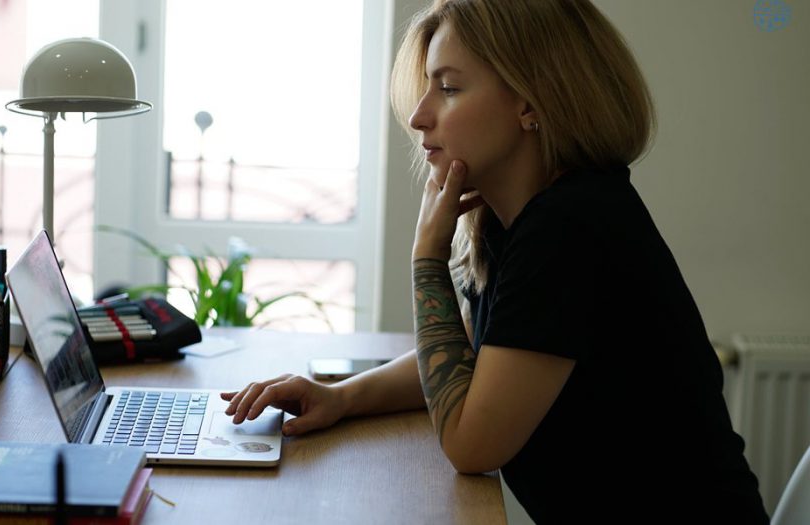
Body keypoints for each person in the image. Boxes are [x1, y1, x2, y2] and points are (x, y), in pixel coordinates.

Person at [222, 0, 769, 522]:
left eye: (450, 88)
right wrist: (340, 398)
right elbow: (481, 351)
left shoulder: (571, 226)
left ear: (530, 102)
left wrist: (427, 258)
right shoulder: (523, 219)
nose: (418, 116)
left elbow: (469, 443)